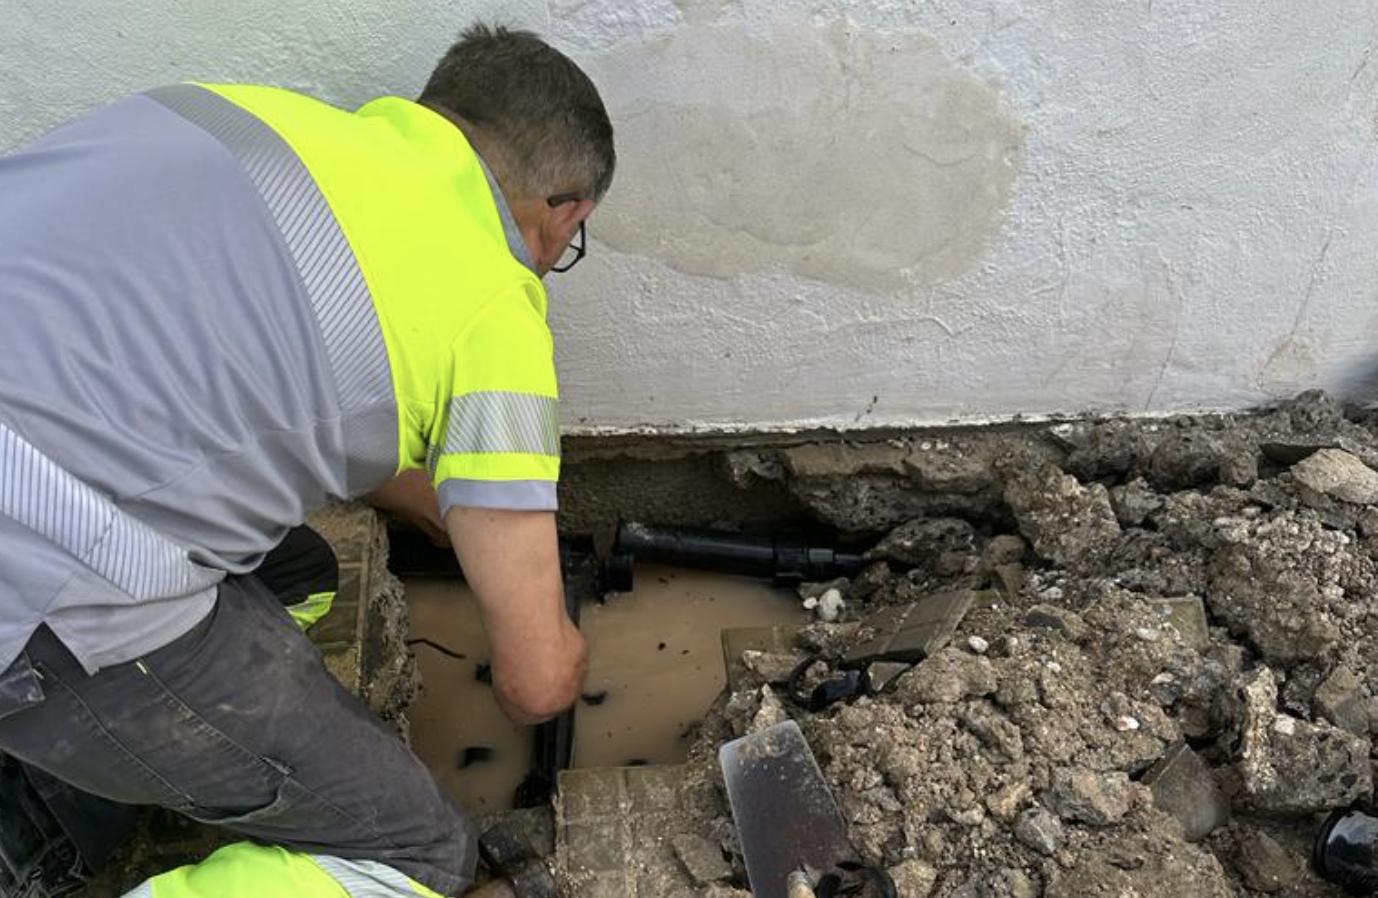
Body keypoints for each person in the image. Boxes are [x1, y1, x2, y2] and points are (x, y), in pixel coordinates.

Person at [0, 21, 613, 898]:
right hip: (33, 580)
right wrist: (561, 649)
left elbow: (286, 388)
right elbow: (536, 687)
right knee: (421, 855)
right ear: (568, 213)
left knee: (303, 578)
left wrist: (443, 503)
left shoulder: (232, 118)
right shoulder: (493, 309)